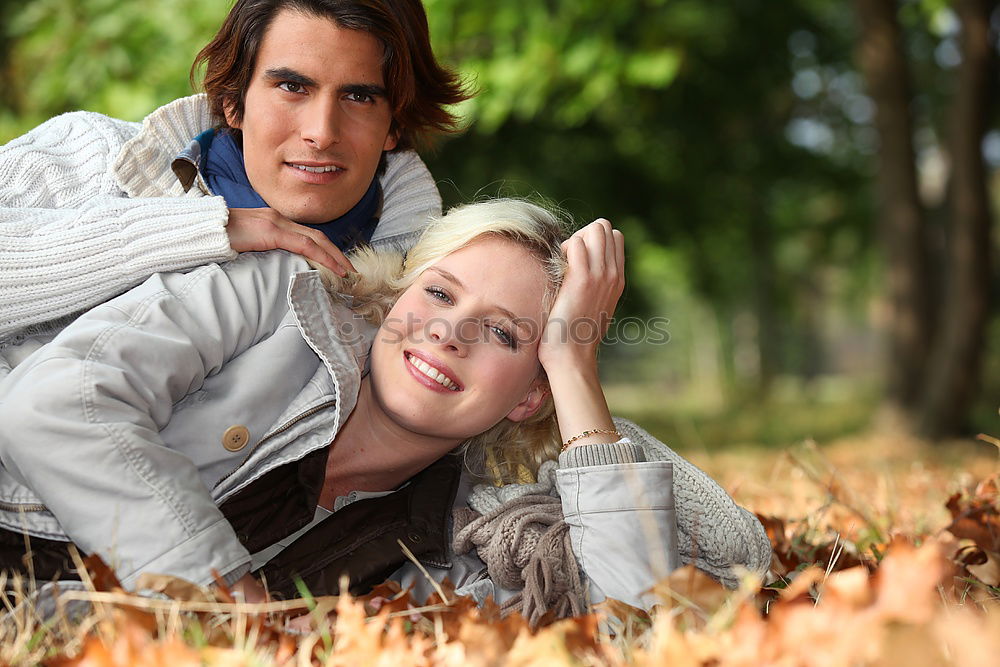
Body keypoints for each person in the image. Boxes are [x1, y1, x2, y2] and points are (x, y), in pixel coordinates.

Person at [0, 199, 771, 617]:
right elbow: (51, 407)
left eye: (502, 331)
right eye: (437, 291)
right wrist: (227, 599)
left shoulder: (462, 538)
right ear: (399, 292)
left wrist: (573, 362)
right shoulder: (273, 297)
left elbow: (647, 622)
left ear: (529, 394)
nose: (449, 328)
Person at [0, 0, 468, 344]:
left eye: (359, 97)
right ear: (233, 102)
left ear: (395, 126)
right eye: (292, 87)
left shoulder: (428, 292)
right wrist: (205, 229)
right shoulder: (89, 151)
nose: (322, 133)